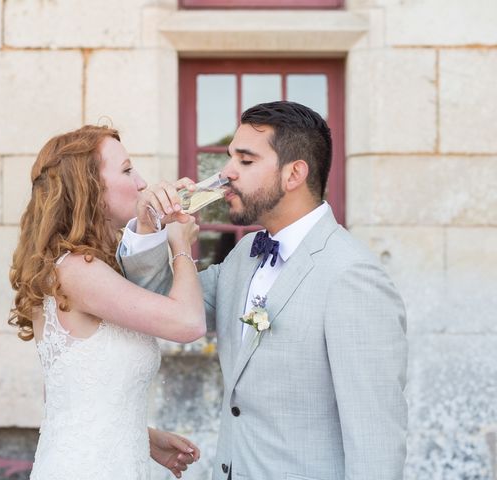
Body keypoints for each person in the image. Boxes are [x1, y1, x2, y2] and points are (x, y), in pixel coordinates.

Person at [119, 101, 408, 480]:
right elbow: (158, 300)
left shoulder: (353, 277)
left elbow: (375, 441)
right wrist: (149, 229)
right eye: (229, 158)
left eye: (246, 160)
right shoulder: (244, 255)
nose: (226, 173)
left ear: (294, 174)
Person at [8, 125, 206, 479]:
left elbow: (76, 399)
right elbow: (189, 323)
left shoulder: (84, 269)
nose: (142, 182)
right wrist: (180, 245)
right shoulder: (76, 271)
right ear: (89, 187)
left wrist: (145, 438)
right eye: (128, 170)